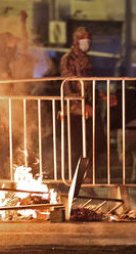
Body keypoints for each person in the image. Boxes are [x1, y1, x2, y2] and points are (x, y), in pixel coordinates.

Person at [60, 27, 94, 174]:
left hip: (88, 108)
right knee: (76, 146)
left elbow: (88, 84)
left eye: (88, 37)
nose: (87, 41)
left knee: (93, 142)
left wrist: (100, 96)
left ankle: (85, 173)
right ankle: (76, 175)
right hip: (74, 109)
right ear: (76, 40)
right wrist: (82, 104)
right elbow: (69, 85)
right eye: (83, 38)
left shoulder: (87, 59)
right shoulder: (68, 59)